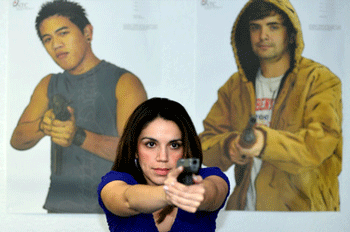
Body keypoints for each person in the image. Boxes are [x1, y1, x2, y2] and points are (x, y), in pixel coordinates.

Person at [200, 0, 342, 211]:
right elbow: (204, 144)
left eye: (273, 26)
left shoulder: (319, 79)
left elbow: (320, 143)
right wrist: (229, 146)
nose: (263, 35)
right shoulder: (235, 86)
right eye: (255, 27)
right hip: (244, 215)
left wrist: (264, 142)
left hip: (304, 217)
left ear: (291, 34)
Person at [10, 0, 147, 213]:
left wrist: (77, 136)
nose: (56, 45)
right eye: (48, 39)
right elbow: (17, 140)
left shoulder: (125, 82)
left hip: (114, 212)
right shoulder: (49, 84)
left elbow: (137, 153)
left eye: (63, 33)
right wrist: (44, 126)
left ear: (87, 32)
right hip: (59, 211)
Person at [98, 98, 230, 232]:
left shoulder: (209, 177)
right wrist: (171, 194)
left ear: (185, 149)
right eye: (151, 144)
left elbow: (212, 193)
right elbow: (127, 199)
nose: (163, 157)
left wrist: (197, 193)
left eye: (174, 145)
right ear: (135, 149)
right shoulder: (114, 182)